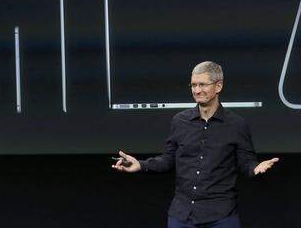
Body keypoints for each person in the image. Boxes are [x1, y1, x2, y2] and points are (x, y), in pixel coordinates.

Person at [112, 61, 279, 228]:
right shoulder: (180, 121)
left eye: (202, 85)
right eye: (193, 85)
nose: (197, 90)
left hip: (220, 216)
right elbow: (168, 159)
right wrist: (140, 165)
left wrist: (256, 168)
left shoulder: (236, 124)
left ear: (218, 86)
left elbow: (246, 162)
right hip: (182, 215)